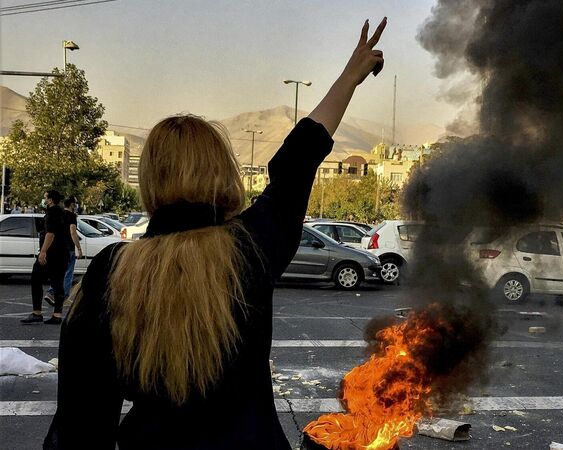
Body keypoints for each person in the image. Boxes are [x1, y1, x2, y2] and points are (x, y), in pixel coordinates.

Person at [44, 18, 386, 450]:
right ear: (222, 171)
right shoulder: (250, 247)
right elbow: (297, 163)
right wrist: (349, 78)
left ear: (150, 179)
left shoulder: (111, 271)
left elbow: (81, 423)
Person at [21, 190, 71, 324]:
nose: (44, 200)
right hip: (62, 253)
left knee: (36, 278)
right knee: (58, 283)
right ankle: (57, 315)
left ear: (50, 200)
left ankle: (37, 313)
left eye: (45, 197)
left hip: (51, 254)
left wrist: (43, 252)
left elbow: (50, 234)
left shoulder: (52, 213)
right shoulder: (63, 212)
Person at [44, 197, 83, 306]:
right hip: (68, 248)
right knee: (68, 273)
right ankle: (63, 297)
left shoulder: (60, 214)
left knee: (59, 272)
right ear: (72, 204)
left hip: (58, 247)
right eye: (75, 203)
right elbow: (73, 232)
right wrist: (79, 248)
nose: (76, 205)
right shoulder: (71, 216)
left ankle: (51, 292)